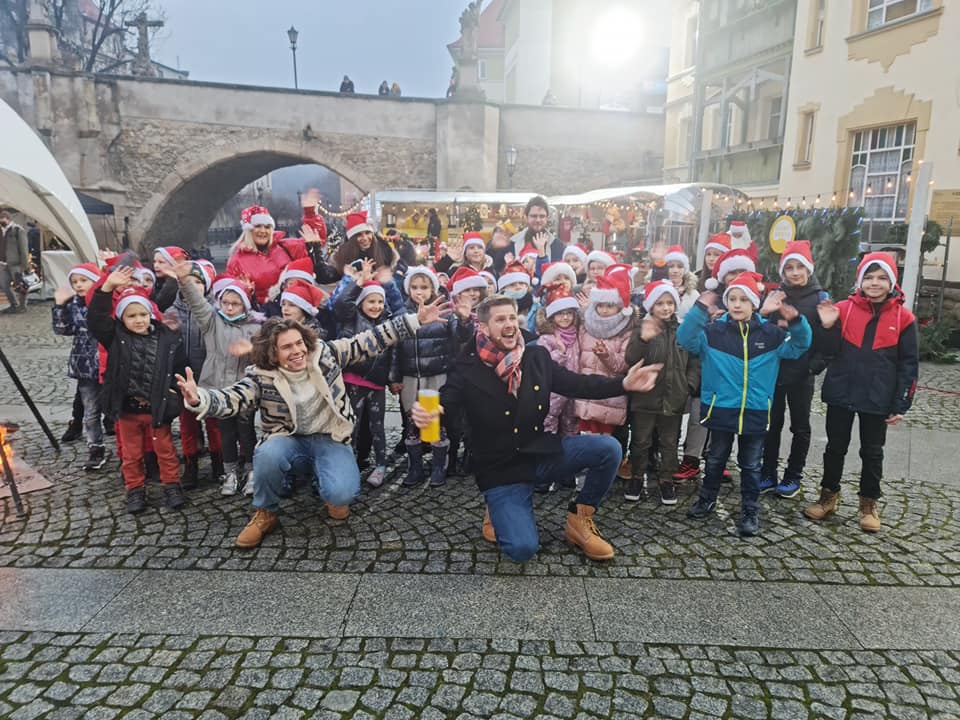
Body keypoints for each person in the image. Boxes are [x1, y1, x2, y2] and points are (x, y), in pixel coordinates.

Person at [177, 298, 449, 549]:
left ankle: (325, 481)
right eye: (286, 347)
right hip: (287, 439)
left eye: (299, 343)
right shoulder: (261, 377)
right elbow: (231, 399)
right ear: (272, 353)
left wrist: (416, 320)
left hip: (330, 437)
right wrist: (198, 397)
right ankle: (266, 511)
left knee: (341, 498)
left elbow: (370, 340)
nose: (296, 351)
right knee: (267, 454)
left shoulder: (326, 354)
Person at [411, 294, 662, 563]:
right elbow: (448, 396)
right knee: (522, 549)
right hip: (501, 469)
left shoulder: (535, 356)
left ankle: (579, 520)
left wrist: (623, 384)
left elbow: (576, 384)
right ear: (483, 328)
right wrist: (433, 410)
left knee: (609, 449)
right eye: (500, 320)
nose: (509, 325)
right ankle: (497, 509)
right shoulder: (467, 367)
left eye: (511, 317)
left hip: (540, 452)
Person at [678, 272, 811, 537]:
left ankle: (750, 510)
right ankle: (707, 499)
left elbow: (800, 345)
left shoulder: (771, 335)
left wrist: (795, 319)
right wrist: (700, 308)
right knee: (715, 459)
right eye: (732, 299)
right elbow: (684, 338)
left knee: (751, 465)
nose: (737, 304)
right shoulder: (712, 333)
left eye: (744, 299)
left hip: (756, 411)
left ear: (754, 303)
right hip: (721, 410)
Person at [804, 253, 919, 532]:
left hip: (877, 397)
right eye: (869, 277)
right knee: (834, 448)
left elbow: (908, 364)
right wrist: (828, 326)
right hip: (842, 390)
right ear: (860, 280)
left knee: (872, 451)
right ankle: (828, 496)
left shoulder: (904, 318)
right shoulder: (844, 308)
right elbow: (827, 350)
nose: (874, 283)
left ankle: (868, 503)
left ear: (892, 282)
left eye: (881, 278)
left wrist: (901, 402)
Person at [87, 266, 188, 514]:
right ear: (122, 318)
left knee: (165, 450)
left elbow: (178, 366)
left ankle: (172, 485)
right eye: (131, 316)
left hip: (156, 409)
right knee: (131, 455)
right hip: (128, 409)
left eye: (143, 314)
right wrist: (107, 288)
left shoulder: (167, 338)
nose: (138, 320)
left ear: (151, 315)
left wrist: (175, 391)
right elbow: (96, 319)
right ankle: (135, 489)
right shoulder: (115, 336)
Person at [168, 261, 263, 496]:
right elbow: (198, 304)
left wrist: (250, 349)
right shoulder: (212, 322)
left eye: (235, 303)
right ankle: (230, 472)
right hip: (218, 388)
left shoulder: (254, 326)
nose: (229, 307)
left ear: (244, 304)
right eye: (225, 303)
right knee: (226, 433)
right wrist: (184, 281)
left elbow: (265, 351)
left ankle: (251, 471)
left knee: (247, 432)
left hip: (243, 390)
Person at [759, 241, 829, 499]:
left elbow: (827, 339)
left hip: (802, 375)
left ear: (809, 269)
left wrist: (813, 367)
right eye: (789, 267)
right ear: (782, 271)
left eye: (800, 266)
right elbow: (761, 331)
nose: (795, 272)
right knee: (771, 424)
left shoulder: (820, 298)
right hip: (775, 372)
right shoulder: (776, 296)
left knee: (800, 427)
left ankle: (793, 475)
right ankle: (767, 473)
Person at [624, 280, 699, 505]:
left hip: (674, 397)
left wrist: (689, 385)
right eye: (660, 303)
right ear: (651, 306)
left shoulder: (683, 330)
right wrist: (642, 340)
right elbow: (630, 359)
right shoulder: (642, 328)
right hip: (645, 397)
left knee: (670, 441)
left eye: (669, 303)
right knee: (640, 440)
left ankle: (666, 479)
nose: (665, 308)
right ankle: (637, 476)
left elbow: (694, 360)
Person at [333, 262, 402, 488]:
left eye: (380, 301)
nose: (376, 306)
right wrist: (359, 282)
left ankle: (381, 465)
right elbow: (341, 303)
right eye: (371, 301)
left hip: (377, 385)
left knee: (377, 427)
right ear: (361, 302)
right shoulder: (351, 317)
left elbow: (393, 353)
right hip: (352, 381)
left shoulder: (387, 322)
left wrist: (393, 379)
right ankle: (349, 465)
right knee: (351, 426)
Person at [389, 266, 455, 487]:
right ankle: (414, 466)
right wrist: (394, 377)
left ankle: (438, 467)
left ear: (432, 289)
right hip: (409, 377)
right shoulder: (401, 314)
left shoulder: (444, 311)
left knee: (435, 423)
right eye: (414, 287)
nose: (419, 292)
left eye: (424, 287)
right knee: (411, 423)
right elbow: (395, 348)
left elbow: (457, 341)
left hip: (435, 375)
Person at [52, 263, 107, 471]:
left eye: (83, 280)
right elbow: (63, 329)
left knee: (115, 409)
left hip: (107, 364)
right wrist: (59, 305)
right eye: (75, 282)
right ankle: (96, 448)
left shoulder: (104, 301)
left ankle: (127, 449)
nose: (78, 285)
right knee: (91, 411)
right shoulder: (73, 303)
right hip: (85, 367)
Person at [576, 269, 635, 436]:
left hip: (609, 399)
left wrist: (606, 355)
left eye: (610, 305)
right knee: (584, 438)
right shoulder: (586, 326)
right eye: (600, 305)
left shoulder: (626, 331)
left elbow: (623, 365)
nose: (604, 310)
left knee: (604, 444)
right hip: (584, 395)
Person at [227, 205, 308, 305]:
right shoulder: (237, 260)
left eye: (267, 227)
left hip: (291, 311)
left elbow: (315, 240)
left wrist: (310, 212)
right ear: (248, 230)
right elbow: (233, 295)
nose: (263, 231)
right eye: (257, 226)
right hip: (261, 315)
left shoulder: (285, 246)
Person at [510, 196, 565, 261]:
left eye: (542, 216)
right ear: (526, 218)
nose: (538, 220)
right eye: (534, 216)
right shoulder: (512, 244)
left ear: (547, 218)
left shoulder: (557, 246)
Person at [0, 209, 29, 313]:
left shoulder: (18, 230)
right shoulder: (1, 231)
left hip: (16, 264)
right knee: (4, 285)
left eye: (2, 219)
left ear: (8, 218)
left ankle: (22, 306)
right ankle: (13, 304)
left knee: (20, 285)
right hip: (3, 264)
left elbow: (24, 249)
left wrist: (24, 266)